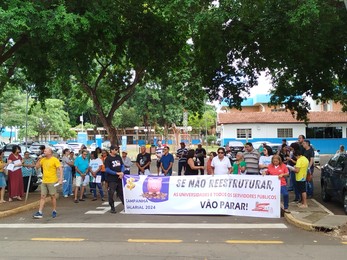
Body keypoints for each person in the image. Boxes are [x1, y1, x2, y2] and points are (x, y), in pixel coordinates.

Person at [33, 148, 63, 219]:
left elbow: (60, 169)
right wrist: (39, 159)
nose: (44, 152)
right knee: (42, 196)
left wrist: (60, 179)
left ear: (50, 152)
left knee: (52, 196)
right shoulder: (43, 159)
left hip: (52, 181)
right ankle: (40, 212)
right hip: (44, 181)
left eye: (45, 151)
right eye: (44, 151)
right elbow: (37, 167)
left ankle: (54, 210)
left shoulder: (54, 159)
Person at [104, 145, 124, 213]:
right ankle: (112, 207)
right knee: (111, 193)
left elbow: (122, 165)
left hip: (119, 178)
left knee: (121, 193)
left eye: (117, 149)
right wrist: (116, 173)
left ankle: (125, 206)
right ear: (111, 150)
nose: (116, 151)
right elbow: (107, 169)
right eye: (115, 149)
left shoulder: (118, 157)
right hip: (112, 179)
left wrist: (121, 172)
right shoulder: (108, 159)